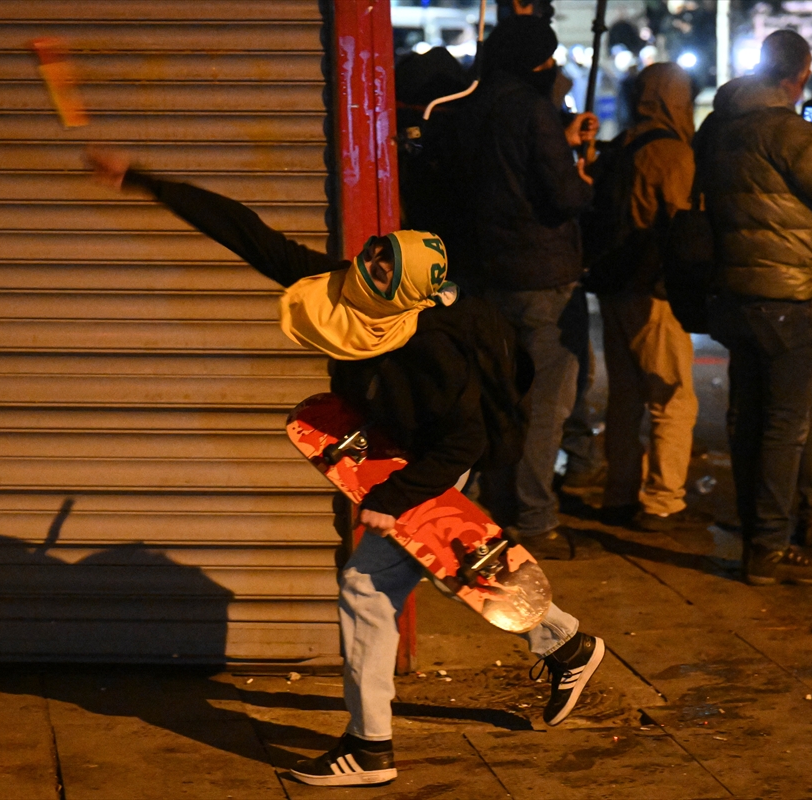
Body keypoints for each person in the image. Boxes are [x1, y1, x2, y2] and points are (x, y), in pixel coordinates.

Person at [81, 148, 606, 787]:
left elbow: (462, 442)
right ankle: (567, 645)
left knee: (368, 586)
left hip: (435, 461)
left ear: (408, 293)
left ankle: (370, 747)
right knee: (449, 561)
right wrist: (143, 179)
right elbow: (248, 234)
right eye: (378, 250)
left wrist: (393, 496)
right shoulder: (341, 290)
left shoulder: (433, 348)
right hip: (395, 447)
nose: (372, 263)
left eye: (387, 267)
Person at [696, 30, 812, 585]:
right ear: (800, 74)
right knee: (784, 425)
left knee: (748, 419)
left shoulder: (719, 125)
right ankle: (769, 548)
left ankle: (756, 536)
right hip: (788, 295)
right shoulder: (784, 129)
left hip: (736, 291)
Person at [452, 15, 597, 550]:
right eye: (547, 59)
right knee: (545, 405)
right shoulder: (532, 109)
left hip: (489, 274)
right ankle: (536, 519)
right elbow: (563, 195)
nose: (551, 68)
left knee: (500, 396)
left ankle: (497, 503)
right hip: (543, 276)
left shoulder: (470, 105)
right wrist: (581, 177)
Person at [591, 63, 703, 532]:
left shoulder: (620, 146)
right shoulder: (672, 154)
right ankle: (662, 501)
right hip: (653, 292)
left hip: (613, 286)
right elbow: (682, 227)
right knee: (672, 398)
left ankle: (618, 492)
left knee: (625, 398)